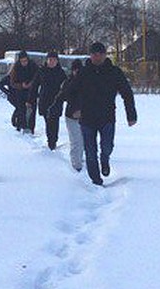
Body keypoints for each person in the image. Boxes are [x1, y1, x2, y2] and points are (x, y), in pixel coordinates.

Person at [64, 42, 136, 185]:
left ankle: (105, 160)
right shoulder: (83, 73)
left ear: (104, 55)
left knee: (107, 146)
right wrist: (75, 109)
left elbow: (127, 93)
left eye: (99, 54)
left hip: (107, 117)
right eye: (94, 54)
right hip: (87, 118)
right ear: (90, 55)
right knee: (90, 151)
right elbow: (70, 92)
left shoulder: (114, 72)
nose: (96, 57)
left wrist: (131, 114)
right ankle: (95, 180)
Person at [48, 58, 87, 172]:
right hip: (71, 116)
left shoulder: (88, 83)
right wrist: (53, 108)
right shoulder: (68, 82)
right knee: (76, 141)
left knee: (84, 141)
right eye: (75, 70)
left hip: (86, 116)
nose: (77, 72)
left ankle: (81, 160)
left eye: (79, 70)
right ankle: (76, 166)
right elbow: (61, 97)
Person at [32, 51, 68, 150]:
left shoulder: (61, 72)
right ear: (47, 60)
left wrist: (66, 96)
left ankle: (54, 140)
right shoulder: (41, 71)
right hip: (44, 100)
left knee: (55, 121)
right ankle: (50, 140)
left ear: (57, 61)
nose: (52, 62)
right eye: (50, 60)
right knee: (48, 121)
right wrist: (31, 99)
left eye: (54, 60)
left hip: (56, 100)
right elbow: (35, 85)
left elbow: (66, 86)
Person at [0, 50, 39, 133]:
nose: (24, 63)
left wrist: (31, 84)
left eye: (25, 61)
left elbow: (37, 77)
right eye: (22, 61)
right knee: (21, 110)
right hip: (19, 92)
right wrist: (20, 86)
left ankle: (31, 128)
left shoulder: (33, 66)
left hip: (31, 91)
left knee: (31, 110)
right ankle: (20, 126)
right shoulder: (15, 68)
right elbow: (11, 83)